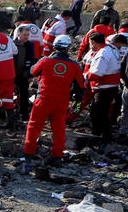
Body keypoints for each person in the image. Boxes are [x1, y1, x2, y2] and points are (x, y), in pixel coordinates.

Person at [24, 35, 84, 165]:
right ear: (68, 48)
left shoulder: (45, 61)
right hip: (61, 102)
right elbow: (80, 86)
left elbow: (33, 71)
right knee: (59, 129)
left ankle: (29, 153)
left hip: (43, 99)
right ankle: (57, 156)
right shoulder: (75, 66)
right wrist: (77, 104)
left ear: (54, 46)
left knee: (34, 125)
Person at [87, 33, 128, 147]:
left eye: (90, 43)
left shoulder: (103, 53)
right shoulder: (111, 50)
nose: (90, 46)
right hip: (111, 87)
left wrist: (85, 76)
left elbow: (97, 73)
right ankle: (102, 135)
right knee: (100, 112)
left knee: (99, 113)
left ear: (94, 42)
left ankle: (102, 137)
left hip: (103, 88)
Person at [12, 24, 39, 121]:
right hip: (11, 73)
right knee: (5, 92)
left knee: (24, 94)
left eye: (28, 35)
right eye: (24, 35)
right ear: (19, 34)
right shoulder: (12, 44)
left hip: (23, 74)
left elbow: (32, 60)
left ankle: (23, 114)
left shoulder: (30, 45)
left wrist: (31, 74)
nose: (26, 37)